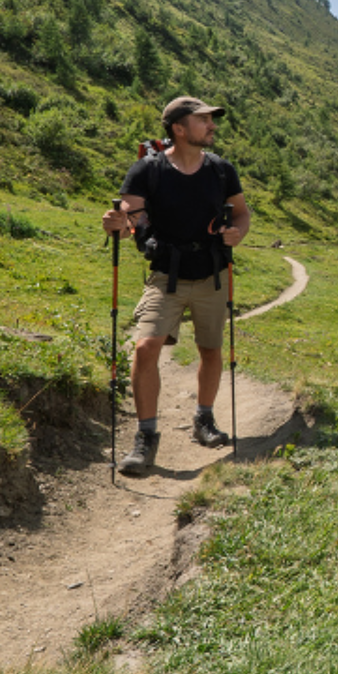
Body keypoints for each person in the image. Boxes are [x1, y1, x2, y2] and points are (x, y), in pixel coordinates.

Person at [100, 95, 251, 476]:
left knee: (211, 349)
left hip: (212, 274)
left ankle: (204, 419)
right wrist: (117, 223)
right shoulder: (147, 171)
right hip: (165, 275)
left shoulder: (221, 170)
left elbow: (242, 213)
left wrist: (237, 234)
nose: (212, 126)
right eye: (204, 120)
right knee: (146, 346)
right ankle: (146, 437)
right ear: (179, 129)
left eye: (211, 120)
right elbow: (130, 214)